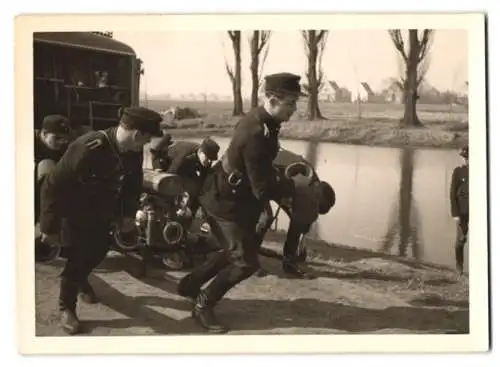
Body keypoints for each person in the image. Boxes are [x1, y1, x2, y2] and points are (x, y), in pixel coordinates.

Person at [176, 72, 303, 333]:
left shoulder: (265, 122)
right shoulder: (256, 131)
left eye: (295, 103)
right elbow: (261, 186)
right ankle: (203, 303)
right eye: (290, 103)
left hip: (234, 198)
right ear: (271, 99)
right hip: (224, 203)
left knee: (234, 252)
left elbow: (262, 170)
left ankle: (190, 284)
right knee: (245, 263)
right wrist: (290, 189)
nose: (294, 109)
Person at [39, 106, 163, 335]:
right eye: (146, 139)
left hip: (101, 212)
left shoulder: (132, 151)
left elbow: (132, 185)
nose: (145, 145)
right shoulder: (89, 147)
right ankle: (66, 307)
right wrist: (49, 227)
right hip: (73, 211)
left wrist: (128, 215)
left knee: (97, 251)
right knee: (78, 256)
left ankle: (81, 281)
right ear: (136, 134)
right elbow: (53, 185)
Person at [254, 148, 336, 279]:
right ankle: (248, 257)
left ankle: (288, 260)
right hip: (263, 175)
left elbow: (299, 221)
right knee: (265, 217)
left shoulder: (313, 189)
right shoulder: (306, 184)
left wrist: (299, 248)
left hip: (283, 186)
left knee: (297, 222)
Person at [34, 115, 71, 224]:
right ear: (44, 134)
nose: (61, 142)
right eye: (57, 138)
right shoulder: (27, 143)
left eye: (64, 138)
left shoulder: (63, 149)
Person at [450, 145, 469, 274]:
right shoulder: (458, 172)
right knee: (460, 240)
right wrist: (455, 213)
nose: (466, 161)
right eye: (465, 158)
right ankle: (459, 266)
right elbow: (452, 193)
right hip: (462, 211)